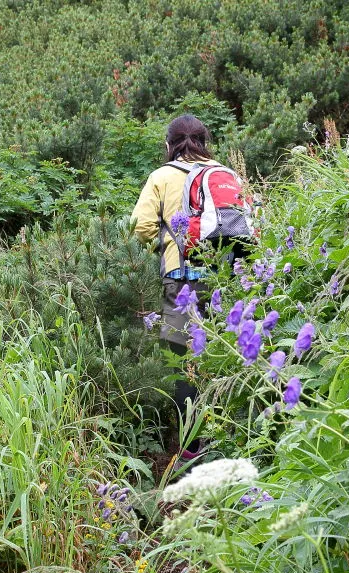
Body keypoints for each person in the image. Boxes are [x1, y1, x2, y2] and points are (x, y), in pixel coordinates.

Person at [130, 114, 219, 465]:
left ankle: (189, 449)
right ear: (204, 143)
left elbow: (141, 226)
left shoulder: (161, 176)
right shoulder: (222, 173)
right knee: (220, 352)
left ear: (169, 145)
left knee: (184, 361)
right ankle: (225, 432)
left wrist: (166, 248)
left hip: (181, 277)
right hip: (227, 274)